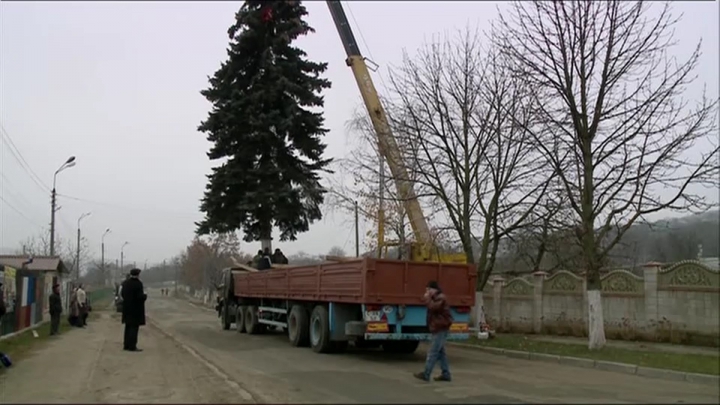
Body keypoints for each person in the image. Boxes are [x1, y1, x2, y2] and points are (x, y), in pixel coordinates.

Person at [414, 280, 453, 382]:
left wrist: (427, 298)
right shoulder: (435, 298)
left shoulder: (441, 298)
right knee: (441, 352)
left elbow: (433, 307)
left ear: (434, 289)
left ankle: (426, 374)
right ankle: (446, 374)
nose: (427, 292)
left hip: (441, 327)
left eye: (428, 289)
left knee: (433, 351)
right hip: (438, 327)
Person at [122, 268, 147, 352]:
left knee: (127, 327)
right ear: (137, 275)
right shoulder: (138, 284)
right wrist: (144, 296)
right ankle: (132, 346)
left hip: (126, 308)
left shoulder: (125, 283)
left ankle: (126, 345)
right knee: (134, 328)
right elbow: (139, 297)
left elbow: (122, 294)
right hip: (135, 309)